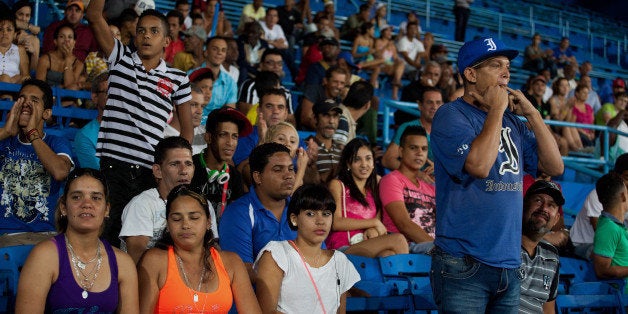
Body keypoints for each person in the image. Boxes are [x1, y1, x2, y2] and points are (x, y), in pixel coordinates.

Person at [430, 36, 563, 312]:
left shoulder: (513, 121)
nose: (506, 73)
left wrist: (533, 115)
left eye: (508, 67)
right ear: (470, 74)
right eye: (495, 65)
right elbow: (478, 166)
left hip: (509, 263)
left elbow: (554, 167)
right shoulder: (450, 115)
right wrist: (499, 109)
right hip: (463, 262)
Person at [86, 0, 194, 247]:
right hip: (114, 166)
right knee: (109, 233)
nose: (146, 36)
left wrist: (177, 164)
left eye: (155, 31)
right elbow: (93, 15)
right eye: (142, 30)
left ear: (167, 41)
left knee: (144, 240)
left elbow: (187, 129)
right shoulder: (120, 58)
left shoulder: (178, 78)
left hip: (150, 170)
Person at [15, 168, 138, 313]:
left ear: (107, 210)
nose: (87, 203)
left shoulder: (123, 263)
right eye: (76, 197)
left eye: (96, 197)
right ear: (63, 207)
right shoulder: (44, 256)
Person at [138, 185, 262, 313]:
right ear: (168, 225)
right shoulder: (155, 261)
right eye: (176, 219)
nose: (186, 225)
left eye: (194, 218)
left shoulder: (231, 262)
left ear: (208, 222)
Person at [254, 184, 360, 313]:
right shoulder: (276, 255)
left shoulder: (340, 261)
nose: (320, 221)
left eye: (326, 214)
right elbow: (267, 312)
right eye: (310, 214)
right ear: (294, 219)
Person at [0, 79, 73, 246]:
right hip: (5, 235)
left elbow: (60, 171)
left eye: (34, 100)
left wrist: (33, 133)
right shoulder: (4, 141)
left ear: (46, 114)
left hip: (46, 236)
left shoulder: (56, 142)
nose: (26, 104)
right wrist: (5, 132)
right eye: (22, 99)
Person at [119, 137, 210, 264]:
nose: (183, 171)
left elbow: (212, 247)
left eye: (188, 164)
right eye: (175, 164)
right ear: (158, 171)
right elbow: (137, 257)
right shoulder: (142, 204)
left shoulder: (204, 203)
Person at [219, 143, 296, 282]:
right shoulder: (238, 214)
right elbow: (242, 272)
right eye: (278, 170)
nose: (288, 175)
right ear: (257, 177)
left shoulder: (301, 209)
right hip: (257, 299)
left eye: (291, 169)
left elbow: (317, 257)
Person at [327, 138, 409, 256]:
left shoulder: (377, 186)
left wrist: (374, 228)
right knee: (398, 240)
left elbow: (379, 222)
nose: (364, 164)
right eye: (357, 159)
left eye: (368, 158)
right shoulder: (338, 185)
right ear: (348, 163)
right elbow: (335, 222)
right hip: (342, 248)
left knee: (387, 254)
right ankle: (406, 274)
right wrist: (373, 223)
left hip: (366, 243)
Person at [380, 126, 435, 253]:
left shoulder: (431, 187)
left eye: (424, 149)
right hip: (408, 248)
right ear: (400, 151)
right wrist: (438, 249)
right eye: (413, 148)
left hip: (432, 250)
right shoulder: (391, 180)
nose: (419, 153)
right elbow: (404, 224)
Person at [190, 107, 252, 219]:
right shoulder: (189, 168)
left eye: (235, 136)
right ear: (208, 137)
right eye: (223, 135)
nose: (230, 143)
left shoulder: (235, 177)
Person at [570, 153, 628, 259]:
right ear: (616, 175)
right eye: (627, 178)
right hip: (585, 245)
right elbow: (603, 236)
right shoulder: (598, 195)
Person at [519, 180, 563, 313]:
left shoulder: (552, 256)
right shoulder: (504, 244)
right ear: (523, 205)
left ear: (556, 219)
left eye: (551, 205)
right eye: (538, 200)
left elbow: (548, 310)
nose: (544, 208)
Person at [382, 87, 444, 171]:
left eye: (438, 103)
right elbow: (387, 160)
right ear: (420, 105)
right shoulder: (408, 128)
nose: (434, 106)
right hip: (414, 182)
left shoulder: (451, 130)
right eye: (429, 102)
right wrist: (416, 174)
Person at [233, 88, 290, 166]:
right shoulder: (245, 135)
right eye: (269, 106)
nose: (276, 111)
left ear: (286, 113)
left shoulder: (294, 139)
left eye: (280, 107)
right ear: (259, 110)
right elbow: (242, 171)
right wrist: (262, 141)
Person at [592, 172, 628, 286]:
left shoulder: (615, 226)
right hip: (622, 298)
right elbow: (602, 271)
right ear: (623, 196)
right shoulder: (608, 228)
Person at [303, 99, 343, 185]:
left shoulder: (341, 150)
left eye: (335, 116)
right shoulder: (305, 147)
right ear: (315, 118)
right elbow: (310, 185)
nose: (331, 121)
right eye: (326, 115)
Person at [36, 24, 85, 92]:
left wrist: (67, 59)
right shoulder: (45, 59)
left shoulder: (79, 64)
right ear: (55, 41)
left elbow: (70, 88)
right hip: (48, 97)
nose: (66, 40)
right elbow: (39, 87)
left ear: (74, 42)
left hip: (68, 99)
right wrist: (60, 88)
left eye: (70, 37)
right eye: (62, 37)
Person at [74, 72, 108, 169]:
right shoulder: (85, 136)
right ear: (95, 97)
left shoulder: (132, 128)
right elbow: (98, 176)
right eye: (108, 92)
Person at [549, 77, 584, 152]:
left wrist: (570, 108)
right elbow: (557, 120)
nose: (565, 88)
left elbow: (568, 120)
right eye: (562, 85)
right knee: (566, 127)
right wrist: (567, 107)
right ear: (557, 87)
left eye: (567, 85)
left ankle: (581, 148)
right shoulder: (553, 100)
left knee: (571, 126)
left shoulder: (568, 100)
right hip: (553, 127)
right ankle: (575, 148)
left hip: (564, 126)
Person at [12, 0, 40, 72]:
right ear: (14, 15)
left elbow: (34, 71)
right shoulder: (4, 34)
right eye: (20, 14)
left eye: (27, 15)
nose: (24, 18)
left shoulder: (34, 40)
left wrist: (33, 53)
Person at [0, 15, 28, 85]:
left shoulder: (20, 50)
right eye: (0, 29)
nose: (4, 33)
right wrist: (5, 79)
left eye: (9, 30)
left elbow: (25, 75)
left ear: (15, 34)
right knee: (4, 78)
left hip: (15, 86)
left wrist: (12, 80)